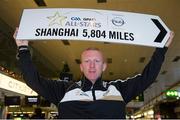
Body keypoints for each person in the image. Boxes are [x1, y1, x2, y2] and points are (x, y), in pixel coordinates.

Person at [13, 28, 174, 119]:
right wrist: (23, 49)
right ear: (81, 67)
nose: (91, 65)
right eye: (87, 61)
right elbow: (33, 80)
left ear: (104, 66)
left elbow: (147, 77)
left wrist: (161, 49)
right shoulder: (64, 90)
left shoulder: (118, 90)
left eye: (96, 61)